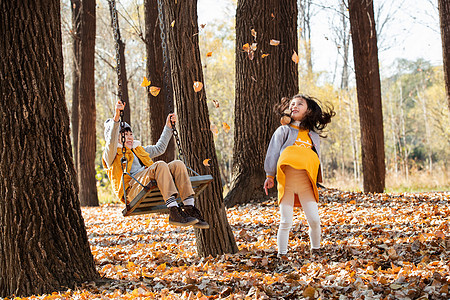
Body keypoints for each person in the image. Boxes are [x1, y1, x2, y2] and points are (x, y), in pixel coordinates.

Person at [102, 100, 209, 229]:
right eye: (124, 134)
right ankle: (174, 211)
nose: (129, 137)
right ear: (116, 137)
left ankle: (189, 207)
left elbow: (160, 148)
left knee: (178, 164)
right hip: (133, 188)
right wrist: (116, 118)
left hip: (148, 178)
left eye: (130, 134)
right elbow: (111, 143)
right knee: (160, 165)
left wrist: (168, 127)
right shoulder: (111, 156)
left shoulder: (139, 150)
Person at [263, 94, 335, 257]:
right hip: (286, 182)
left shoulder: (313, 135)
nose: (294, 106)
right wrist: (269, 175)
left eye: (299, 104)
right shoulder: (284, 130)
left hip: (305, 185)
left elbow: (314, 159)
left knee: (315, 220)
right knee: (286, 221)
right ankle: (282, 254)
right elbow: (273, 152)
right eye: (292, 104)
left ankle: (316, 250)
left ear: (308, 110)